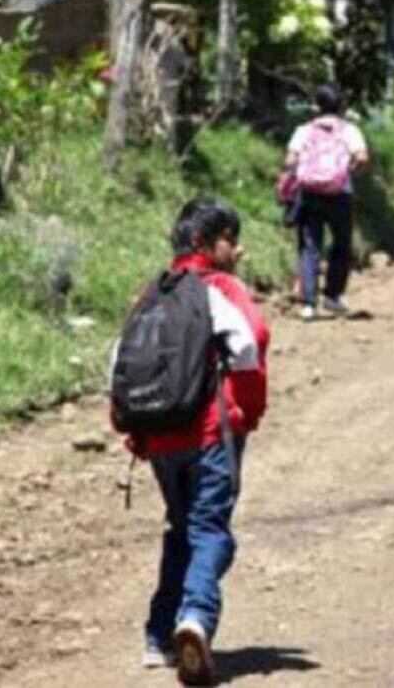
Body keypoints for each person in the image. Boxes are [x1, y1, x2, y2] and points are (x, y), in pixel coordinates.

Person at [110, 197, 271, 687]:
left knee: (180, 528)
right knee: (211, 530)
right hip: (209, 432)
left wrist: (134, 429)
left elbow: (118, 363)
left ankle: (158, 637)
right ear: (204, 244)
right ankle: (195, 619)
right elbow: (250, 341)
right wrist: (246, 409)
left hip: (158, 440)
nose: (237, 250)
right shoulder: (219, 288)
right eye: (229, 239)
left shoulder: (151, 293)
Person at [285, 84, 369, 320]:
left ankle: (308, 303)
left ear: (317, 106)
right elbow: (362, 157)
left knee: (309, 246)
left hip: (309, 193)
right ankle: (332, 296)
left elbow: (290, 160)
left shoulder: (303, 130)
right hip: (340, 193)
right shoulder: (349, 130)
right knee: (341, 245)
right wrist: (347, 170)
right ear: (340, 105)